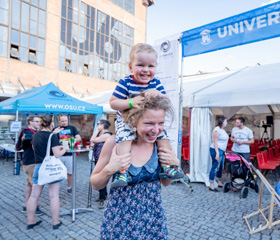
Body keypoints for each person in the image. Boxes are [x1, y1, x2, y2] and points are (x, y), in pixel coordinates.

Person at [91, 94, 179, 239]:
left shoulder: (160, 144)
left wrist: (174, 165)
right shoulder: (115, 143)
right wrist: (109, 169)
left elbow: (165, 182)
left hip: (152, 221)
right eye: (149, 123)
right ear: (133, 121)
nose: (156, 130)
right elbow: (95, 184)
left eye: (161, 123)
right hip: (119, 223)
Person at [109, 43, 183, 188]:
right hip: (126, 120)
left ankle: (167, 166)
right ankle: (122, 171)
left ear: (155, 68)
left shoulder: (156, 83)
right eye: (140, 65)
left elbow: (167, 100)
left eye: (150, 66)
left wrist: (158, 94)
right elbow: (113, 103)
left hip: (148, 121)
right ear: (131, 67)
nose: (146, 70)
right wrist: (131, 102)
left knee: (164, 138)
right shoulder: (126, 82)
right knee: (124, 140)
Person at [27, 115, 66, 230]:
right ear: (51, 124)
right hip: (50, 168)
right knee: (54, 196)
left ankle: (31, 221)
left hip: (38, 167)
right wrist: (65, 148)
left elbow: (35, 150)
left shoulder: (34, 135)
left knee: (34, 196)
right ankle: (55, 222)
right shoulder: (52, 136)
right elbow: (57, 154)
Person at [16, 116, 44, 215]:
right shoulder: (27, 132)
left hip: (30, 161)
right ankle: (34, 207)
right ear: (30, 122)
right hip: (31, 162)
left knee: (29, 184)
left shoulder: (33, 132)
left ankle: (26, 205)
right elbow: (32, 143)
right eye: (36, 122)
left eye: (39, 122)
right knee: (35, 185)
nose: (39, 123)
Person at [56, 114, 81, 193]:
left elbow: (78, 138)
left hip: (70, 153)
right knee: (57, 172)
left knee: (70, 172)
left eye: (65, 120)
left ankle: (69, 186)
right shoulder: (56, 129)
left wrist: (72, 141)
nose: (64, 122)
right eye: (62, 121)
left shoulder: (72, 128)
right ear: (59, 121)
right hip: (59, 154)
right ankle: (55, 188)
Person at [90, 119, 112, 209]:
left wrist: (96, 131)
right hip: (98, 158)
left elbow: (92, 140)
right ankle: (105, 195)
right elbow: (92, 143)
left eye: (98, 124)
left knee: (100, 177)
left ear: (102, 125)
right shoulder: (100, 135)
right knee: (100, 175)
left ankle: (102, 198)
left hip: (103, 159)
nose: (97, 125)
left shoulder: (107, 135)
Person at [209, 116, 229, 192]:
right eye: (226, 121)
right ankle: (211, 185)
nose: (226, 123)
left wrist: (224, 150)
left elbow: (223, 142)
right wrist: (217, 153)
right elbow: (215, 142)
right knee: (215, 167)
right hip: (215, 150)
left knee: (221, 166)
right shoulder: (216, 130)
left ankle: (219, 181)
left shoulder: (222, 130)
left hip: (222, 150)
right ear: (222, 122)